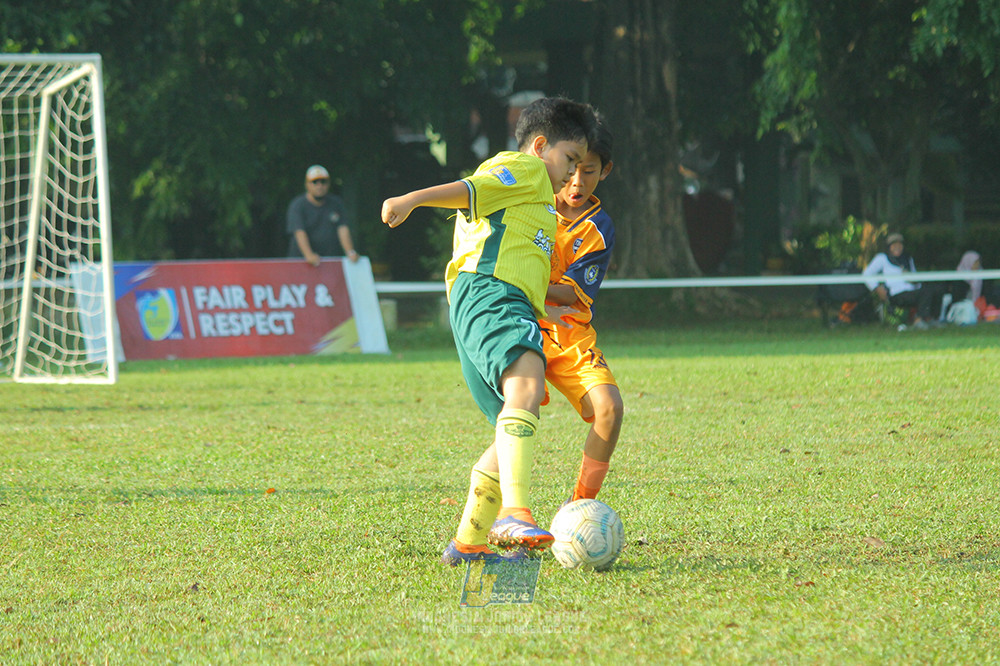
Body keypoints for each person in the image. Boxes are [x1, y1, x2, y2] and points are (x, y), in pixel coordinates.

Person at [380, 97, 597, 566]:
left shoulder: (536, 199)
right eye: (570, 160)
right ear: (541, 147)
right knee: (527, 380)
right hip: (489, 294)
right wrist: (412, 200)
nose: (573, 175)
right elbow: (469, 189)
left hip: (494, 300)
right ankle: (515, 512)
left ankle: (468, 543)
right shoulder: (526, 169)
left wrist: (546, 302)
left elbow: (519, 254)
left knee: (513, 418)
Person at [539, 119, 623, 504]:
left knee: (609, 410)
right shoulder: (532, 203)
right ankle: (509, 512)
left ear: (604, 171)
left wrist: (530, 285)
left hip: (569, 334)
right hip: (522, 324)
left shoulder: (599, 228)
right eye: (570, 169)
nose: (576, 182)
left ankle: (579, 508)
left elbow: (571, 295)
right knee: (517, 413)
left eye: (588, 171)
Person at [862, 232, 943, 330]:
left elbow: (914, 277)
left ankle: (931, 319)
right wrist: (877, 288)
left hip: (912, 290)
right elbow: (866, 274)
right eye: (894, 245)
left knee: (936, 288)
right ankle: (918, 320)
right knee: (925, 292)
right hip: (896, 293)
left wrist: (913, 280)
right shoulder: (882, 258)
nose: (897, 247)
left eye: (900, 244)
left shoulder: (907, 259)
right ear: (889, 247)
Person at [286, 165, 359, 265]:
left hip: (330, 263)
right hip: (301, 263)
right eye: (315, 182)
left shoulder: (336, 203)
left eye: (323, 182)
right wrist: (309, 255)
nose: (319, 186)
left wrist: (350, 252)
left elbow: (343, 229)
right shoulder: (298, 205)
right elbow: (299, 232)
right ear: (307, 184)